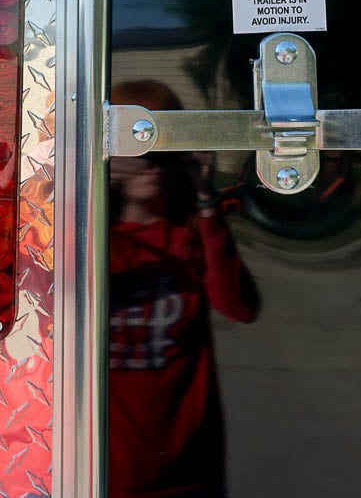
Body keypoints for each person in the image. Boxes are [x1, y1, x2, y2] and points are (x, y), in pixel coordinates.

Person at [108, 79, 261, 498]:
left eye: (162, 150)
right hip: (102, 469)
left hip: (186, 469)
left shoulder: (192, 235)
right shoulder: (87, 244)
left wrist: (206, 199)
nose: (151, 164)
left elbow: (239, 307)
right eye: (137, 147)